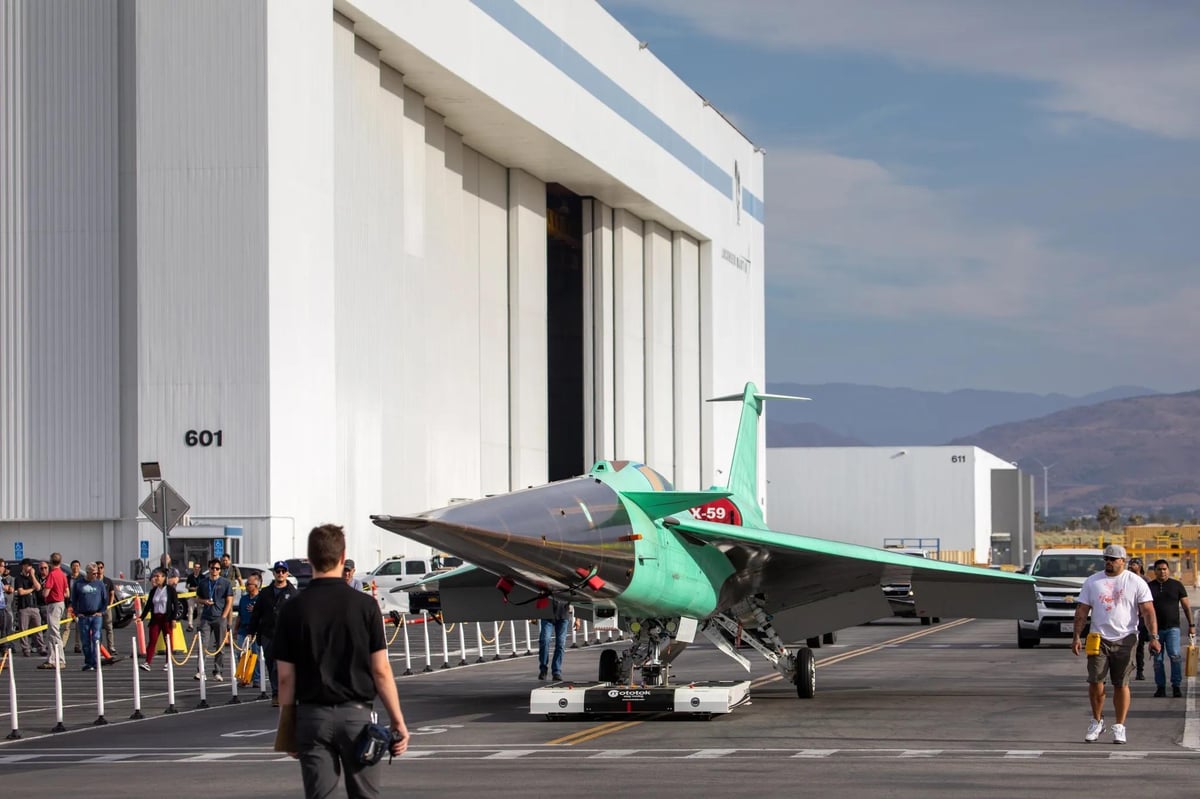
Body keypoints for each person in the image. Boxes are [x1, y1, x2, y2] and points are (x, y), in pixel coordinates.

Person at [274, 523, 409, 797]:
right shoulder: (365, 606)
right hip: (356, 717)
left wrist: (287, 729)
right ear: (342, 555)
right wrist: (397, 721)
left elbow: (286, 677)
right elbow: (380, 670)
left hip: (312, 717)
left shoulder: (292, 609)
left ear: (309, 558)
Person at [1072, 544, 1159, 745]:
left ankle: (1119, 726)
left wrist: (1153, 637)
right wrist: (1077, 636)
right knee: (1096, 681)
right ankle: (1097, 720)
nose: (1109, 562)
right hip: (1098, 638)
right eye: (1106, 559)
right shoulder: (1093, 582)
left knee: (1121, 684)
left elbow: (1148, 611)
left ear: (1123, 561)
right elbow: (1082, 611)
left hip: (1126, 638)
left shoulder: (1136, 582)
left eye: (1113, 559)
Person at [249, 561, 300, 706]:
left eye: (283, 571)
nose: (280, 573)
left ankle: (287, 691)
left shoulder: (293, 593)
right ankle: (276, 693)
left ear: (287, 573)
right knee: (271, 665)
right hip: (268, 634)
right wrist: (250, 632)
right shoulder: (265, 593)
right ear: (274, 573)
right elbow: (257, 613)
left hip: (286, 636)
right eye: (278, 571)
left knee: (282, 665)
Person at [1147, 558, 1194, 698]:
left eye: (1164, 569)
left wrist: (1191, 625)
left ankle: (1176, 686)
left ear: (1169, 570)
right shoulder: (1150, 587)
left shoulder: (1177, 585)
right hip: (1156, 630)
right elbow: (1144, 609)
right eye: (1159, 569)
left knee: (1175, 656)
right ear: (1154, 571)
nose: (1162, 572)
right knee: (1158, 659)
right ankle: (1160, 687)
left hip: (1173, 628)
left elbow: (1186, 607)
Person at [195, 558, 233, 682]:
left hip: (219, 617)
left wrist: (224, 617)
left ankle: (218, 671)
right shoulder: (203, 582)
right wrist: (204, 601)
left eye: (217, 568)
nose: (214, 571)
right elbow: (198, 598)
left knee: (220, 647)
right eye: (212, 568)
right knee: (203, 645)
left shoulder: (226, 583)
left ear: (220, 570)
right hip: (206, 617)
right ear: (209, 569)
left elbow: (229, 601)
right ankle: (200, 671)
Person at [69, 563, 108, 672]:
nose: (96, 575)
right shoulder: (78, 584)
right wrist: (77, 612)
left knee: (96, 638)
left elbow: (105, 599)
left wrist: (101, 611)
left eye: (97, 573)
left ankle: (96, 662)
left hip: (96, 616)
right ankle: (88, 662)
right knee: (85, 641)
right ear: (87, 573)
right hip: (83, 616)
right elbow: (74, 600)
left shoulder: (100, 584)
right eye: (93, 573)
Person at [141, 569, 180, 671]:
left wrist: (174, 618)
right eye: (155, 576)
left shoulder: (170, 590)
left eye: (158, 576)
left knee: (168, 640)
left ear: (164, 578)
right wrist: (141, 617)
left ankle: (168, 662)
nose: (156, 578)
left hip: (166, 618)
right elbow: (149, 605)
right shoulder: (153, 591)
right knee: (152, 640)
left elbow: (175, 605)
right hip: (156, 619)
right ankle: (147, 662)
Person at [40, 553, 69, 668]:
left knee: (54, 632)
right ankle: (51, 659)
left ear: (51, 562)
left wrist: (45, 592)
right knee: (51, 632)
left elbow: (46, 592)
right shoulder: (63, 574)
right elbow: (67, 593)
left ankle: (61, 659)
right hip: (60, 603)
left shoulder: (52, 575)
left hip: (54, 604)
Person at [538, 596, 575, 681]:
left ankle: (556, 671)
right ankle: (543, 669)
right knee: (544, 640)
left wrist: (577, 619)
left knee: (561, 644)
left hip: (563, 615)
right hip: (547, 614)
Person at [14, 560, 44, 657]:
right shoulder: (19, 578)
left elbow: (38, 587)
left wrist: (32, 576)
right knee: (24, 630)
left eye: (31, 566)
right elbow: (21, 592)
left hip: (34, 606)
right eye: (28, 566)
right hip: (24, 607)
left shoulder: (33, 577)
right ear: (23, 566)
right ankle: (26, 649)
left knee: (38, 629)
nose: (29, 568)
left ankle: (41, 647)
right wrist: (31, 589)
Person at [236, 572, 262, 680]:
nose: (246, 586)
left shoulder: (261, 598)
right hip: (243, 630)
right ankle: (244, 677)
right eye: (246, 584)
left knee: (256, 654)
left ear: (256, 586)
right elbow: (239, 615)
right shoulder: (243, 599)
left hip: (256, 631)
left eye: (249, 584)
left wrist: (256, 610)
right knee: (241, 654)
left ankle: (256, 678)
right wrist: (235, 629)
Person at [1128, 558, 1149, 679]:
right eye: (1130, 564)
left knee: (1139, 645)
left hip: (1140, 617)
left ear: (1140, 566)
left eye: (1134, 564)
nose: (1131, 566)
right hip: (1128, 616)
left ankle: (1140, 670)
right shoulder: (1125, 579)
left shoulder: (1145, 580)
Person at [96, 561, 118, 656]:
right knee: (98, 628)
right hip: (96, 608)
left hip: (106, 608)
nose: (99, 569)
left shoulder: (108, 581)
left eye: (101, 567)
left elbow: (112, 593)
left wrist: (110, 604)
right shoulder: (94, 581)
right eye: (98, 568)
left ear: (103, 569)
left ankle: (111, 647)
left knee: (109, 628)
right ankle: (99, 647)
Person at [68, 560, 83, 653]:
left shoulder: (82, 579)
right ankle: (62, 645)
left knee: (78, 626)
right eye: (74, 566)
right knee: (66, 627)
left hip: (79, 605)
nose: (75, 568)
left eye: (77, 566)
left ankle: (77, 645)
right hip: (69, 604)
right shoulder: (67, 578)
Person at [185, 561, 204, 631]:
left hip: (199, 596)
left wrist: (199, 588)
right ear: (193, 568)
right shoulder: (190, 576)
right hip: (191, 595)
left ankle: (199, 625)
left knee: (200, 611)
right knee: (190, 610)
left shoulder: (202, 577)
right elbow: (186, 586)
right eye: (195, 567)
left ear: (200, 569)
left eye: (198, 568)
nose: (197, 569)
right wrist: (191, 588)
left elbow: (204, 586)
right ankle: (190, 625)